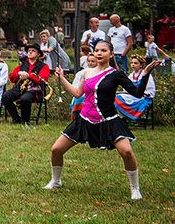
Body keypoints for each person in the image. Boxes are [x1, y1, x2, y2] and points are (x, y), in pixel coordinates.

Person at [47, 41, 161, 199]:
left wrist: (146, 73)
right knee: (56, 149)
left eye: (103, 50)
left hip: (109, 120)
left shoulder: (116, 74)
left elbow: (137, 93)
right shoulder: (87, 72)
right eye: (97, 50)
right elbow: (78, 93)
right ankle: (56, 181)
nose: (99, 53)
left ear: (111, 54)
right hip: (85, 120)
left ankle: (135, 188)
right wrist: (61, 78)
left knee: (127, 152)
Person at [1, 43, 50, 127]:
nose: (30, 52)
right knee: (6, 96)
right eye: (29, 51)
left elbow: (42, 80)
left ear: (38, 54)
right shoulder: (22, 65)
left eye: (33, 51)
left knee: (25, 98)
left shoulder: (44, 66)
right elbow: (12, 78)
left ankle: (26, 121)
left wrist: (28, 76)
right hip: (21, 88)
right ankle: (16, 118)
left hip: (34, 90)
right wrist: (18, 74)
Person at [114, 55, 156, 120]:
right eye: (132, 63)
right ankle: (121, 117)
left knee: (117, 98)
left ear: (141, 65)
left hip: (143, 98)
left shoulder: (145, 75)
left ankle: (123, 117)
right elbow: (126, 89)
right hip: (132, 96)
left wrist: (145, 93)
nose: (133, 65)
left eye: (135, 63)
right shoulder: (131, 75)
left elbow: (151, 90)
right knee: (115, 97)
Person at [69, 53, 96, 119]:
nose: (90, 63)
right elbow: (75, 86)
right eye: (89, 61)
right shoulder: (81, 73)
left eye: (93, 61)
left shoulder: (100, 72)